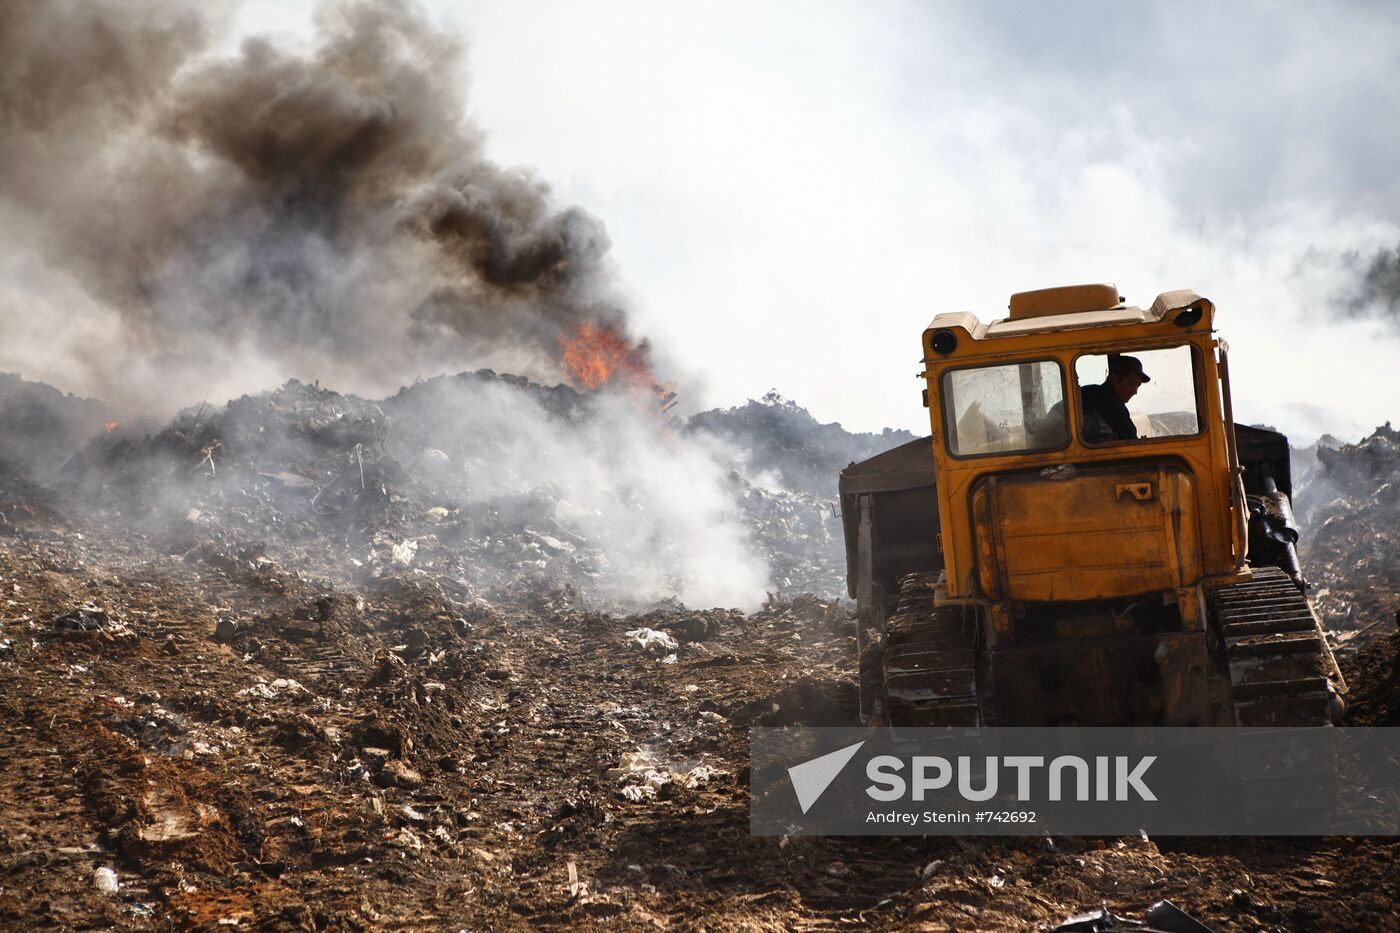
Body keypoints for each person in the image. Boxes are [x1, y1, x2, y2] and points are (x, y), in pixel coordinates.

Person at [1080, 354, 1149, 441]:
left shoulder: (1088, 391)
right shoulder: (1111, 403)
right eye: (1131, 384)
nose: (1135, 392)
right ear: (1113, 379)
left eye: (1137, 386)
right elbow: (1130, 441)